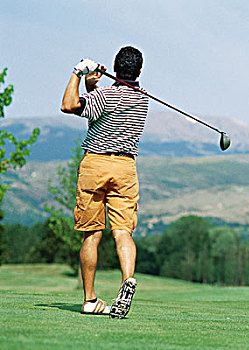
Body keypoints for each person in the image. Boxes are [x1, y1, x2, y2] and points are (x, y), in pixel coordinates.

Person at [60, 46, 149, 319]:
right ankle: (127, 279)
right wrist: (92, 86)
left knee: (92, 233)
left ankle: (89, 300)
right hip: (125, 169)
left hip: (96, 164)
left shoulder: (105, 96)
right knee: (122, 232)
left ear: (114, 67)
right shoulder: (143, 99)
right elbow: (107, 103)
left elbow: (69, 106)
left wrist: (78, 74)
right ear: (140, 71)